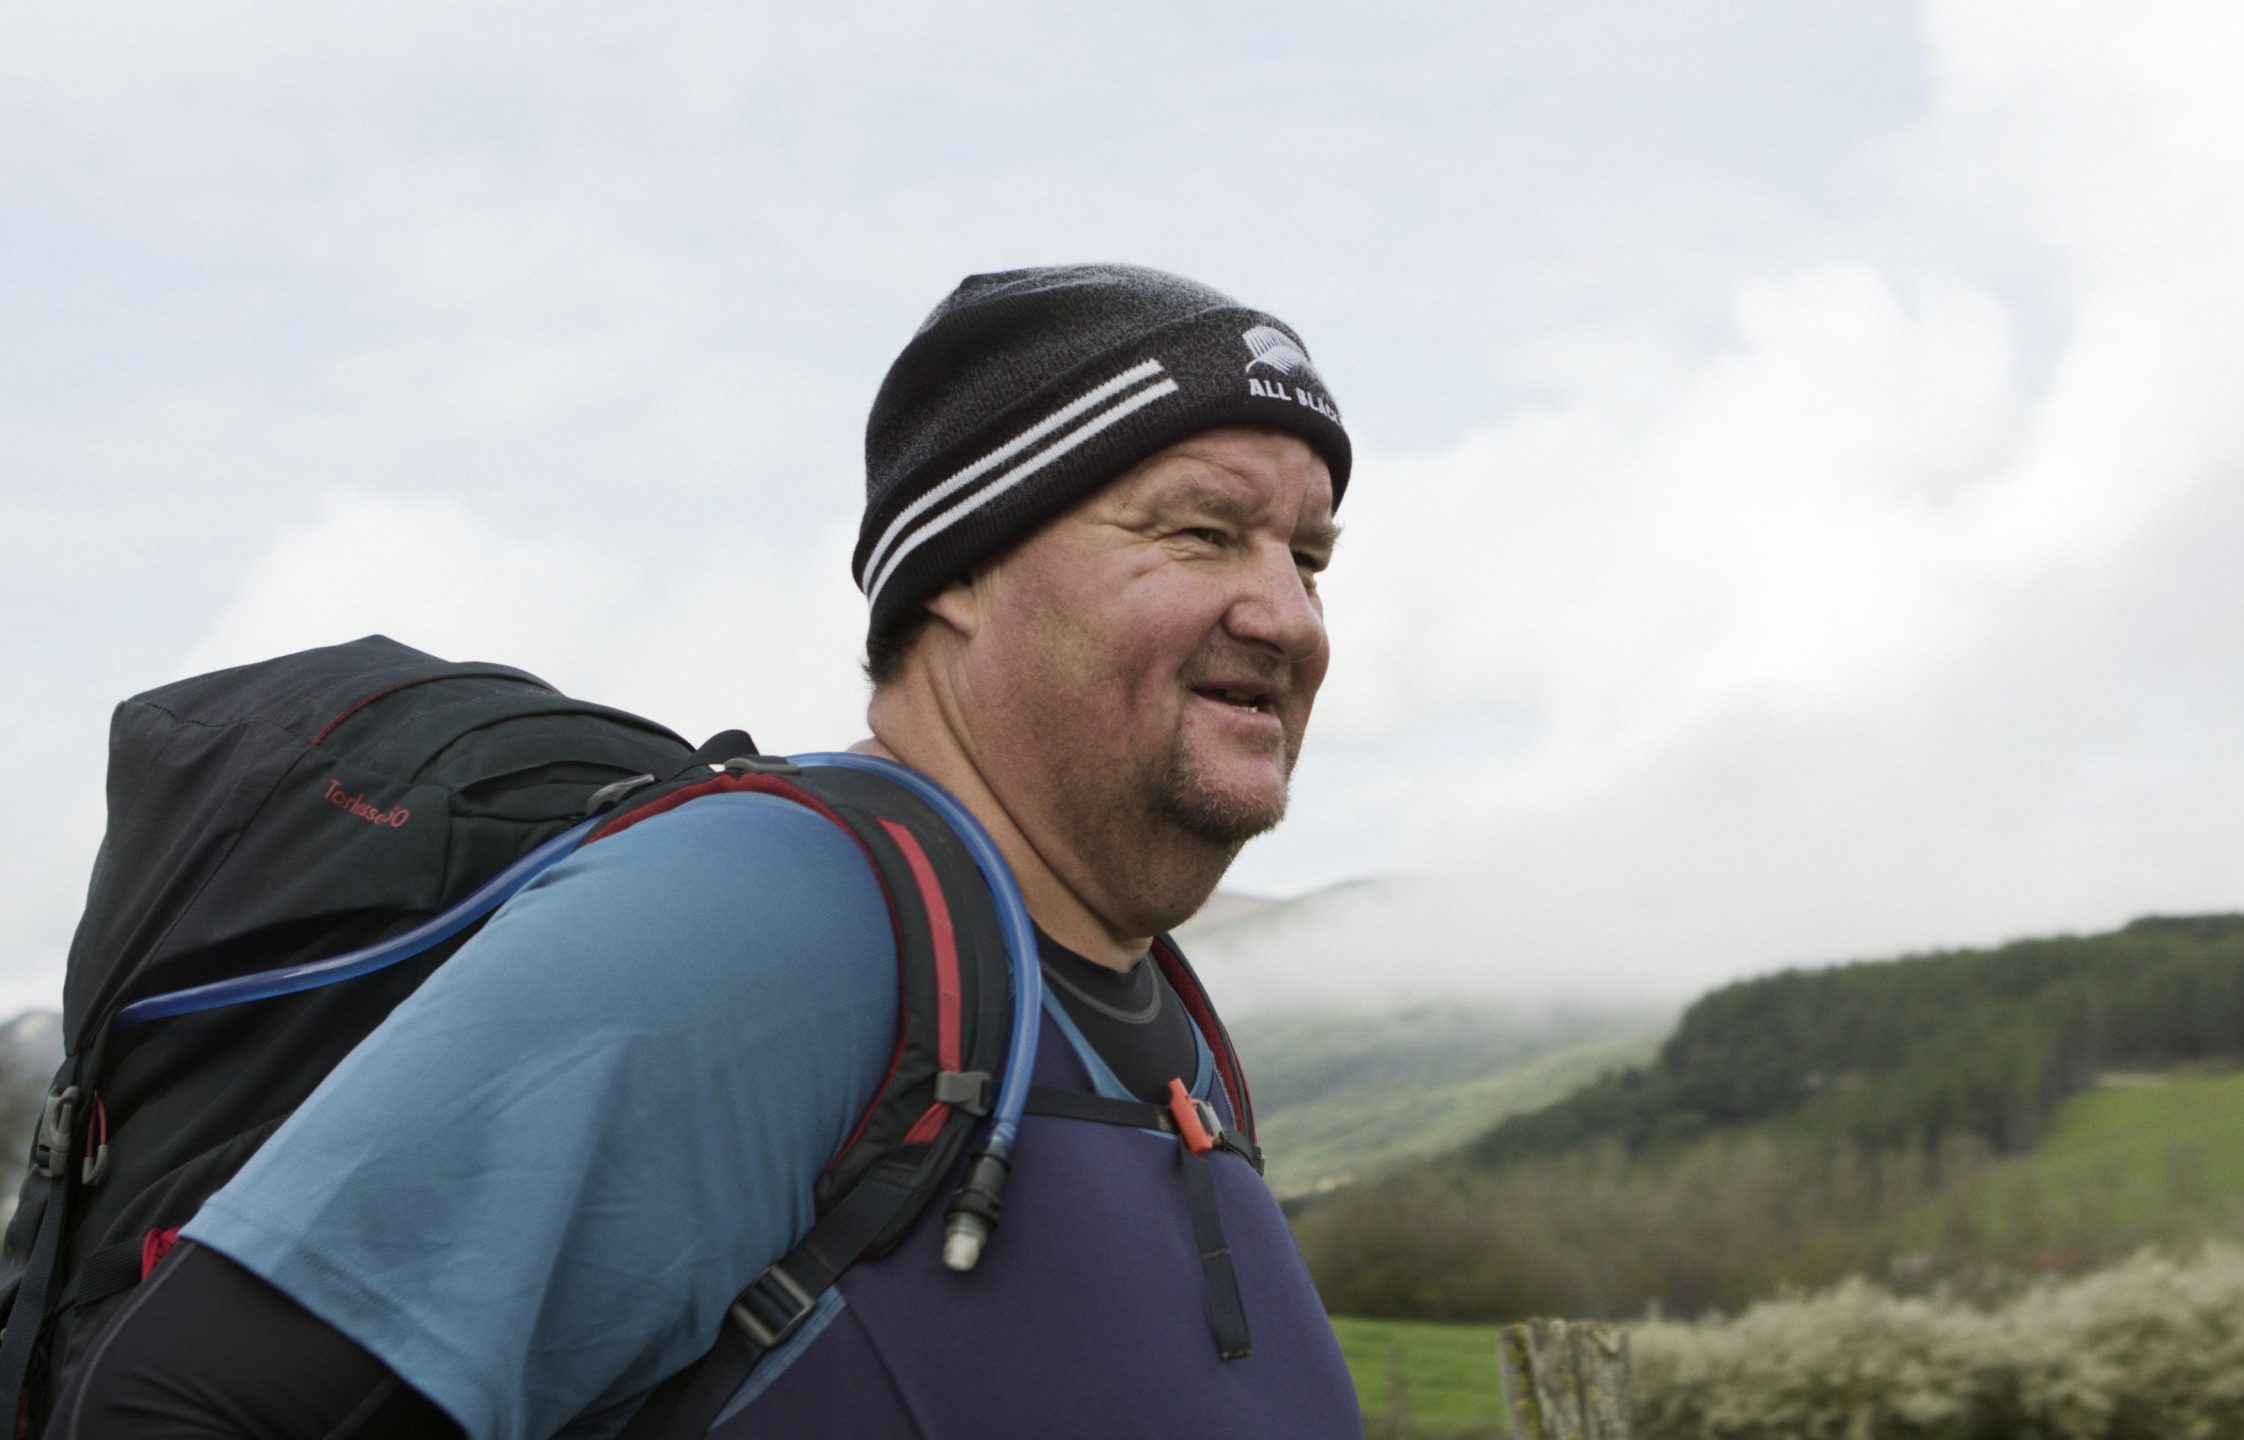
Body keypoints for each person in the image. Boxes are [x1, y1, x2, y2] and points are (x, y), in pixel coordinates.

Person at [51, 264, 1363, 1439]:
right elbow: (184, 1407)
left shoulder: (1167, 1024)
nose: (1290, 617)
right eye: (1202, 532)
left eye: (1307, 558)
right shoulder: (775, 918)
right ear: (961, 570)